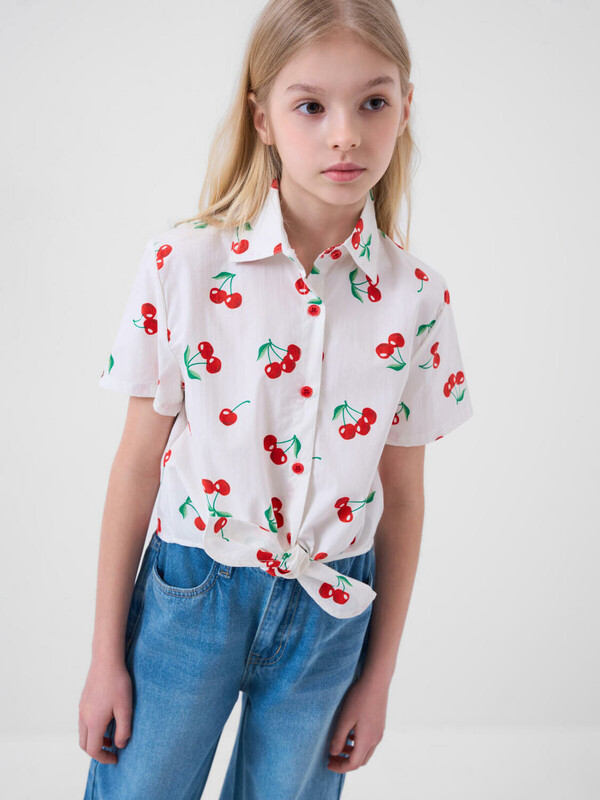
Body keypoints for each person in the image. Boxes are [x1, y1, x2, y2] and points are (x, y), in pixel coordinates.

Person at [79, 0, 474, 797]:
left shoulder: (418, 299)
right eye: (311, 106)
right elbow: (136, 465)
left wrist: (377, 678)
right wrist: (103, 656)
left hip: (330, 615)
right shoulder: (183, 267)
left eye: (373, 102)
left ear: (405, 108)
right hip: (192, 594)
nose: (345, 134)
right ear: (262, 118)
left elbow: (403, 501)